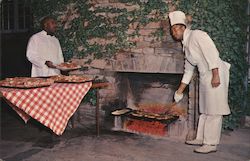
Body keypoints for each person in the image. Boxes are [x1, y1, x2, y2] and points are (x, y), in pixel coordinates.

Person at [168, 11, 231, 154]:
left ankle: (211, 144)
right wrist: (179, 91)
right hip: (204, 75)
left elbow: (212, 53)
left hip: (215, 72)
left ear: (183, 27)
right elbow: (188, 71)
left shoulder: (197, 35)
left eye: (175, 29)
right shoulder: (185, 45)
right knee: (205, 109)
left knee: (214, 110)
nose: (173, 33)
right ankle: (201, 138)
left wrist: (215, 75)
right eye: (172, 30)